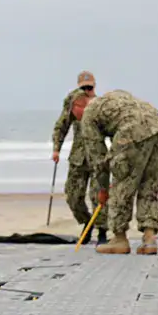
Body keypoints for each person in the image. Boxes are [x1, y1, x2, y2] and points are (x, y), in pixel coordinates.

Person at [73, 90, 158, 255]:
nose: (75, 119)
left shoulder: (89, 114)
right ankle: (149, 238)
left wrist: (103, 189)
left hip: (133, 131)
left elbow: (97, 158)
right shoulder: (115, 97)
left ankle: (119, 238)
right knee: (149, 184)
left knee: (121, 183)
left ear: (79, 105)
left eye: (73, 112)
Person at [52, 71, 108, 245]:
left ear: (94, 86)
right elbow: (61, 126)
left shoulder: (100, 105)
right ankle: (86, 222)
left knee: (97, 195)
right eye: (83, 87)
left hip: (97, 158)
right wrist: (56, 149)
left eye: (89, 87)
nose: (87, 91)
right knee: (72, 195)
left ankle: (102, 231)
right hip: (78, 158)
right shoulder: (74, 103)